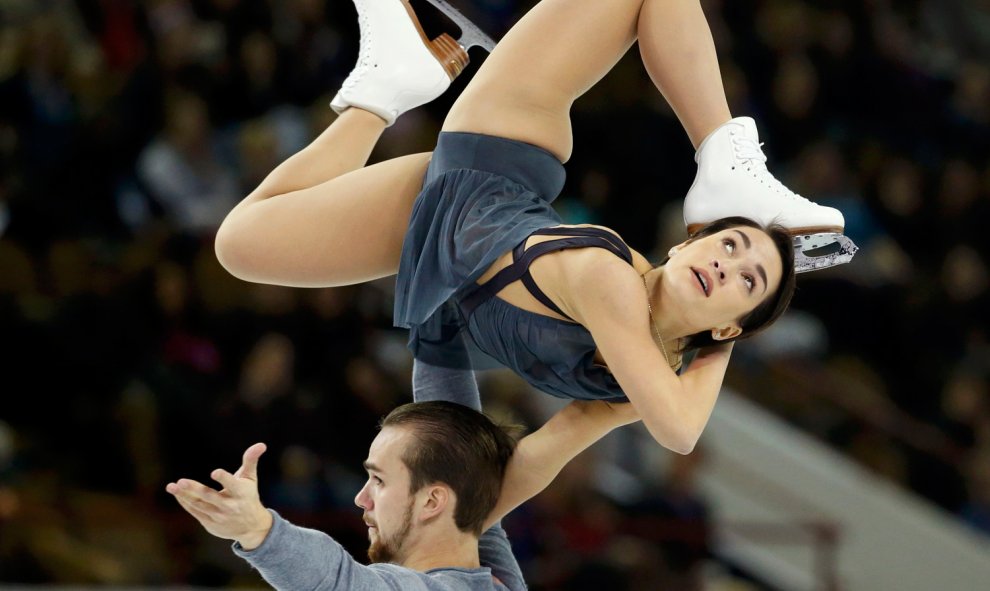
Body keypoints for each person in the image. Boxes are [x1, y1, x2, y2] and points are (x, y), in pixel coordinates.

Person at [211, 0, 848, 454]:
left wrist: (449, 560)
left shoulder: (629, 381)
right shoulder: (612, 292)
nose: (726, 264)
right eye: (729, 246)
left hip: (437, 229)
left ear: (733, 322)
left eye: (746, 278)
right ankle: (722, 155)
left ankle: (384, 87)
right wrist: (722, 334)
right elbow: (680, 432)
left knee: (241, 245)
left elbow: (538, 464)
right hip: (497, 153)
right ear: (686, 242)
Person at [165, 361, 638, 589]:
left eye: (378, 480)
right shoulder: (486, 575)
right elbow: (456, 430)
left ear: (432, 501)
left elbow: (338, 582)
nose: (360, 500)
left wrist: (260, 532)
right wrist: (435, 311)